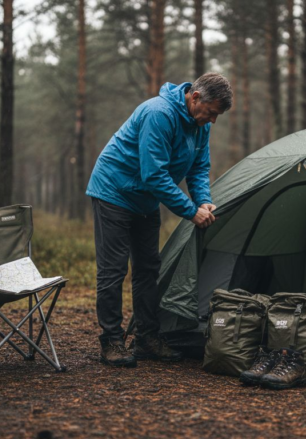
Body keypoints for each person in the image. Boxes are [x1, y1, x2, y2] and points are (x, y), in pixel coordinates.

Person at [85, 73, 233, 367]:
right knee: (113, 270)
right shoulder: (158, 114)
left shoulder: (199, 125)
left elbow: (199, 168)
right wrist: (191, 211)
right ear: (195, 98)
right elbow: (153, 174)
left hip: (145, 198)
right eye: (212, 113)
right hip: (113, 192)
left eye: (217, 116)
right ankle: (112, 341)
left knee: (148, 268)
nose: (212, 121)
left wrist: (203, 199)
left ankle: (147, 338)